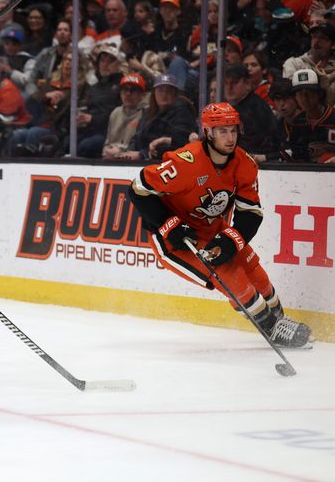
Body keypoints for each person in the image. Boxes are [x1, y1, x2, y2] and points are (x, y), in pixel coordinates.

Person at [128, 102, 312, 349]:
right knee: (228, 275)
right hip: (177, 240)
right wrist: (167, 224)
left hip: (213, 229)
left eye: (233, 130)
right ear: (208, 132)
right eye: (222, 131)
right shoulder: (186, 161)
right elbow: (138, 189)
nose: (230, 137)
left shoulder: (245, 164)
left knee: (253, 268)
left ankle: (280, 319)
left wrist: (231, 240)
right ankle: (271, 329)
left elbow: (251, 213)